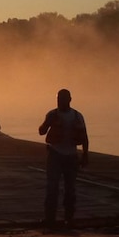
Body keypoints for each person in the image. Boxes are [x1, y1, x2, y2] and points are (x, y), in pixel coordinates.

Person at [38, 88, 89, 228]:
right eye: (58, 99)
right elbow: (41, 131)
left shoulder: (78, 116)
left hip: (71, 157)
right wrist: (47, 123)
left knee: (70, 189)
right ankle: (50, 219)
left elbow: (84, 137)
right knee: (52, 187)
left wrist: (85, 155)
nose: (60, 101)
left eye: (63, 99)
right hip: (55, 154)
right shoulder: (52, 114)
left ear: (70, 99)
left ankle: (69, 218)